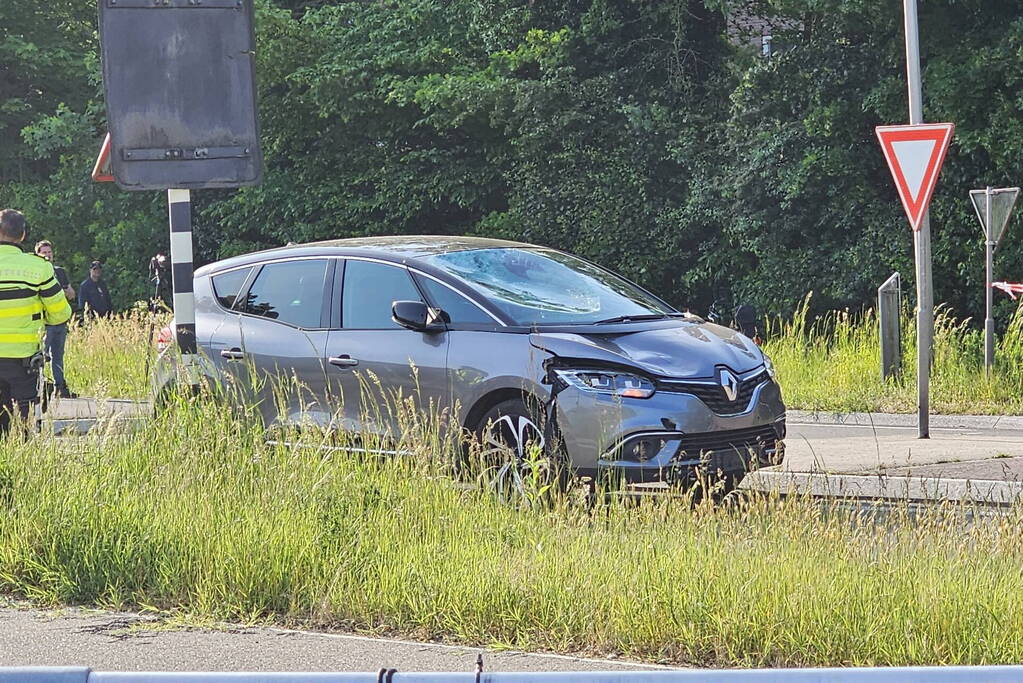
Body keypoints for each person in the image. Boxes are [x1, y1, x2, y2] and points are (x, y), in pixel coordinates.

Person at [0, 209, 72, 437]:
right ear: (23, 235)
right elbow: (61, 314)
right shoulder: (39, 267)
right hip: (22, 363)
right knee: (24, 428)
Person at [34, 240, 77, 398]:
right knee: (40, 356)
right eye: (44, 252)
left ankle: (60, 387)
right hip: (45, 323)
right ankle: (38, 387)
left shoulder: (59, 272)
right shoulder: (36, 272)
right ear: (38, 254)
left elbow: (71, 294)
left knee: (58, 356)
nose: (47, 255)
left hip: (60, 321)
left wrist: (62, 290)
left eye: (49, 252)